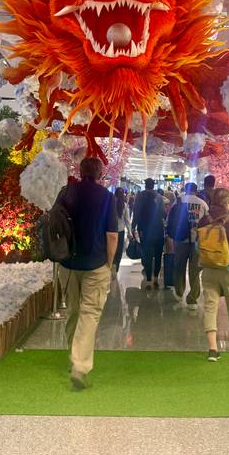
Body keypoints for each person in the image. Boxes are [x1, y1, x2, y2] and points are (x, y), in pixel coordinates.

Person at [58, 157, 118, 390]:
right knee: (89, 313)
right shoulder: (107, 197)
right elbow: (112, 235)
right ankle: (80, 366)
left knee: (73, 310)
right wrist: (109, 264)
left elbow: (57, 225)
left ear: (79, 171)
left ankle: (72, 356)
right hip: (95, 263)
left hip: (68, 262)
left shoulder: (66, 193)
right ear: (100, 174)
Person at [197, 186, 229, 360]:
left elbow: (198, 246)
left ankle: (212, 348)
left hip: (209, 269)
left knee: (210, 307)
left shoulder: (204, 221)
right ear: (227, 202)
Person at [165, 181, 208, 306]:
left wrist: (169, 236)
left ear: (186, 189)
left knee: (179, 267)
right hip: (197, 241)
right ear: (196, 190)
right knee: (195, 271)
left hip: (180, 240)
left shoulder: (178, 201)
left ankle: (179, 293)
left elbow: (169, 220)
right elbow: (208, 222)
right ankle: (193, 299)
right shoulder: (202, 204)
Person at [132, 178, 166, 289]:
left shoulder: (140, 196)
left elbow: (136, 212)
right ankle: (156, 278)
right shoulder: (159, 197)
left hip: (144, 229)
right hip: (158, 229)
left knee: (147, 254)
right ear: (153, 186)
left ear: (145, 185)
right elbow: (163, 213)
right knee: (158, 254)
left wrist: (133, 227)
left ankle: (148, 280)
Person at [112, 187, 127, 275]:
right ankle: (116, 267)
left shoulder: (111, 204)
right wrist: (130, 231)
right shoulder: (124, 205)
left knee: (112, 247)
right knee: (119, 250)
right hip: (121, 230)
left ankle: (112, 264)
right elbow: (127, 220)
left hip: (111, 230)